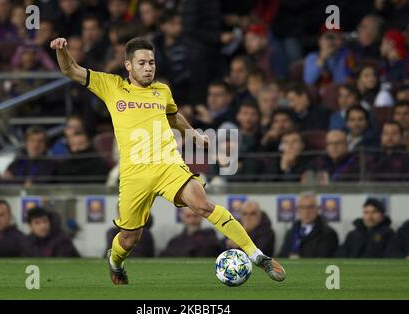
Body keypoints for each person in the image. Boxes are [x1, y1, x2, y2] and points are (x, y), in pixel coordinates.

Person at [51, 36, 286, 285]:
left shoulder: (162, 90)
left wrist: (194, 135)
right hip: (134, 175)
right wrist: (62, 51)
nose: (149, 67)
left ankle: (258, 256)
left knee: (203, 204)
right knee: (129, 238)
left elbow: (174, 118)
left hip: (168, 164)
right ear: (128, 65)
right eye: (142, 63)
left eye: (152, 62)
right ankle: (116, 262)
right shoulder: (110, 85)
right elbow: (70, 70)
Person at [279, 193, 338, 258]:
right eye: (302, 207)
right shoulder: (291, 232)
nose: (306, 212)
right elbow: (282, 255)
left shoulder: (328, 233)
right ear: (297, 210)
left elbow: (322, 259)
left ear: (317, 209)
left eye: (310, 207)